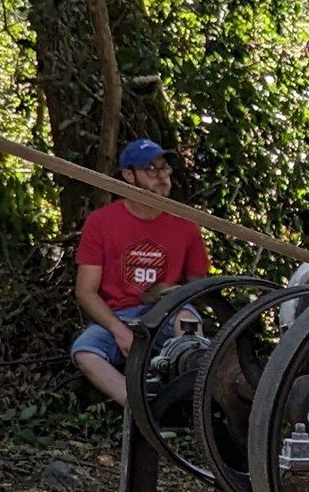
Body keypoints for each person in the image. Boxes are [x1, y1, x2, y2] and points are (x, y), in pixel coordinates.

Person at [72, 138, 208, 405]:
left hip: (169, 311)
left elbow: (200, 288)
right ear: (128, 175)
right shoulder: (101, 222)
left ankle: (197, 402)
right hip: (119, 315)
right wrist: (118, 329)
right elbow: (85, 291)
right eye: (151, 169)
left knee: (186, 320)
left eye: (165, 169)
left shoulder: (187, 224)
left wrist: (173, 294)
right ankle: (143, 407)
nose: (162, 177)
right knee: (85, 351)